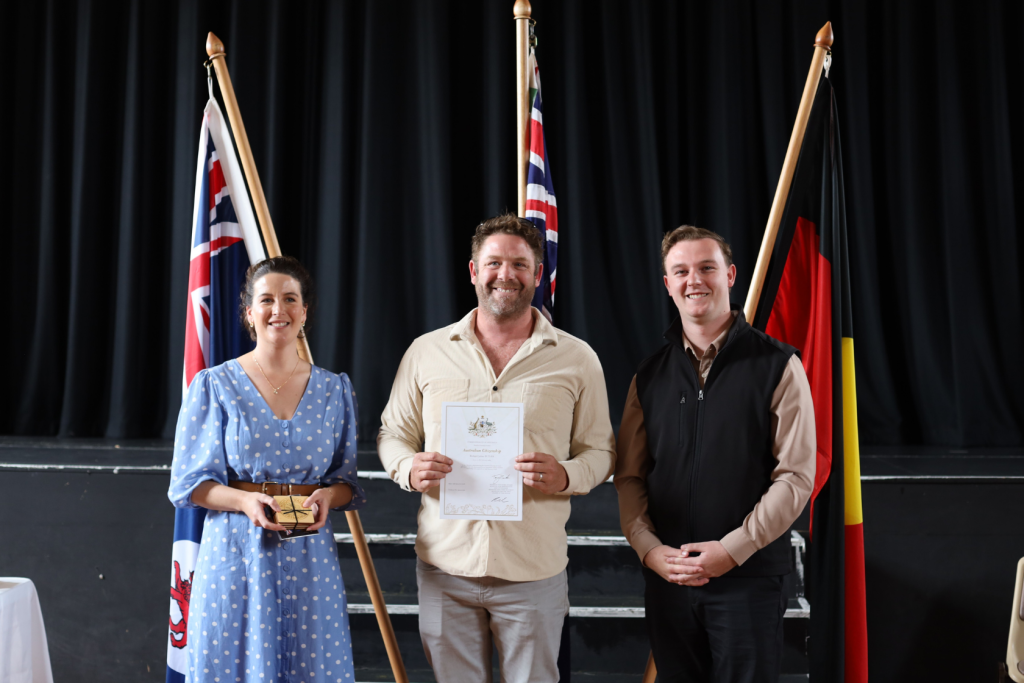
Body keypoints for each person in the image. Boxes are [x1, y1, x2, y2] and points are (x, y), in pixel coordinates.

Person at [377, 213, 616, 683]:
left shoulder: (577, 357)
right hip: (446, 568)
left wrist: (566, 474)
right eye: (494, 263)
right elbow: (392, 434)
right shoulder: (426, 351)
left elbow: (601, 452)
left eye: (519, 265)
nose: (505, 274)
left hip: (533, 570)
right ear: (473, 270)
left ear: (537, 273)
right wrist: (408, 466)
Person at [615, 226, 815, 682]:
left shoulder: (778, 365)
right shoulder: (648, 375)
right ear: (667, 283)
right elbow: (629, 476)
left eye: (706, 268)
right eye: (680, 271)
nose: (694, 280)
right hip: (669, 579)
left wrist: (731, 550)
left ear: (730, 274)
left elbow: (796, 478)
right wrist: (649, 551)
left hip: (748, 579)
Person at [167, 256, 366, 683]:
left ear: (305, 311)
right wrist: (244, 501)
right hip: (236, 553)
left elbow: (347, 482)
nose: (280, 310)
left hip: (311, 559)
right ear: (249, 313)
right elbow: (189, 485)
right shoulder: (214, 384)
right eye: (267, 300)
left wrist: (328, 497)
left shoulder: (335, 389)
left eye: (290, 299)